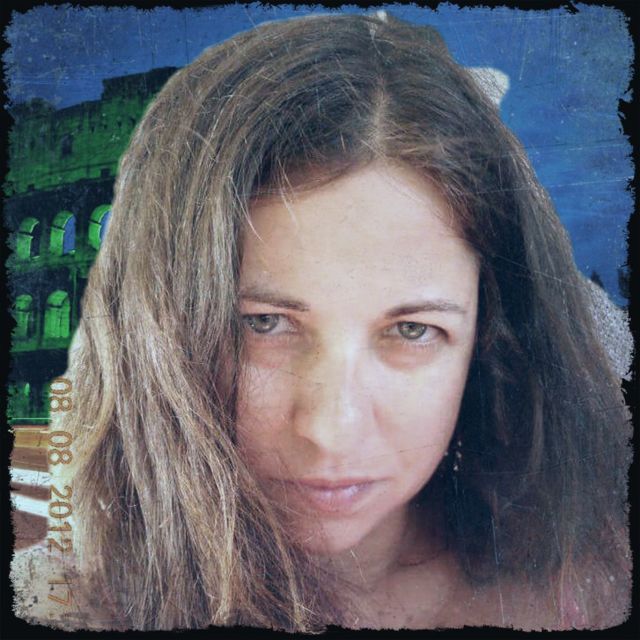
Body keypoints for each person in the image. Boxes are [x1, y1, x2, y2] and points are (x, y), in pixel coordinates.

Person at [11, 12, 631, 632]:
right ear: (154, 326)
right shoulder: (64, 607)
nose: (332, 430)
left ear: (490, 338)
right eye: (264, 323)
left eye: (412, 330)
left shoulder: (598, 585)